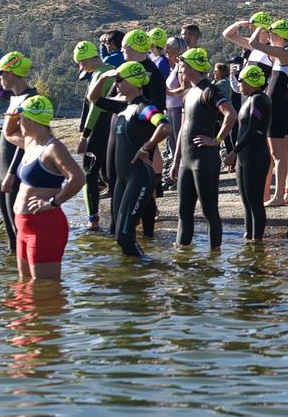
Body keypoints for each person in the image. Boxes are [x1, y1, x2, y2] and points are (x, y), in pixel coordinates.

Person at [1, 94, 85, 282]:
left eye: (21, 117)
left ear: (31, 120)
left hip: (44, 225)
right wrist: (13, 110)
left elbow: (78, 178)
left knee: (45, 288)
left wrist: (54, 202)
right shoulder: (29, 142)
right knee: (24, 283)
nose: (19, 121)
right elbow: (8, 134)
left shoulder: (52, 148)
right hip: (23, 224)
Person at [93, 59, 171, 258]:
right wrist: (103, 77)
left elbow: (164, 126)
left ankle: (149, 267)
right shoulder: (123, 106)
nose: (116, 83)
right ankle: (133, 280)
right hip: (121, 180)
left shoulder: (142, 107)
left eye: (120, 79)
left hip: (139, 177)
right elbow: (94, 99)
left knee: (125, 236)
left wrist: (147, 146)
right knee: (117, 233)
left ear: (134, 82)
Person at [222, 16, 288, 207]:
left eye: (271, 32)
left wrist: (260, 28)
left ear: (273, 34)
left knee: (277, 153)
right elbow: (229, 35)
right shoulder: (278, 52)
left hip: (272, 103)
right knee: (277, 152)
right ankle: (275, 193)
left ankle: (280, 194)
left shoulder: (280, 53)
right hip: (268, 101)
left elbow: (253, 42)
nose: (252, 29)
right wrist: (244, 24)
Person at [171, 47, 234, 248]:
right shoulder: (189, 93)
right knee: (183, 211)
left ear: (192, 67)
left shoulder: (209, 90)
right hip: (186, 162)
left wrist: (217, 140)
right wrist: (175, 161)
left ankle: (214, 256)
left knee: (209, 211)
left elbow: (230, 114)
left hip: (204, 159)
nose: (180, 69)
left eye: (182, 66)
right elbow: (183, 128)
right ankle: (181, 254)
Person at [0, 51, 36, 253]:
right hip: (3, 172)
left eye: (1, 74)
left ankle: (27, 273)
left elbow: (26, 142)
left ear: (13, 74)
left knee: (18, 229)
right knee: (9, 231)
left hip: (14, 172)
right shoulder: (13, 97)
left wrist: (12, 173)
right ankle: (12, 275)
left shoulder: (30, 100)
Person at [225, 63, 272, 241]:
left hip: (256, 155)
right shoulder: (251, 99)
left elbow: (253, 130)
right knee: (246, 203)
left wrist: (234, 152)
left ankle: (257, 242)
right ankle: (249, 239)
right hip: (245, 156)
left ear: (253, 81)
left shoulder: (260, 100)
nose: (238, 84)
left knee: (255, 203)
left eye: (241, 81)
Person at [71, 41, 114, 232]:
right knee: (111, 174)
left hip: (99, 130)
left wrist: (84, 136)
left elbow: (96, 108)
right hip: (115, 130)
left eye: (80, 63)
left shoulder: (99, 75)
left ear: (86, 60)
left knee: (89, 175)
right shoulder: (112, 70)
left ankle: (92, 220)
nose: (80, 68)